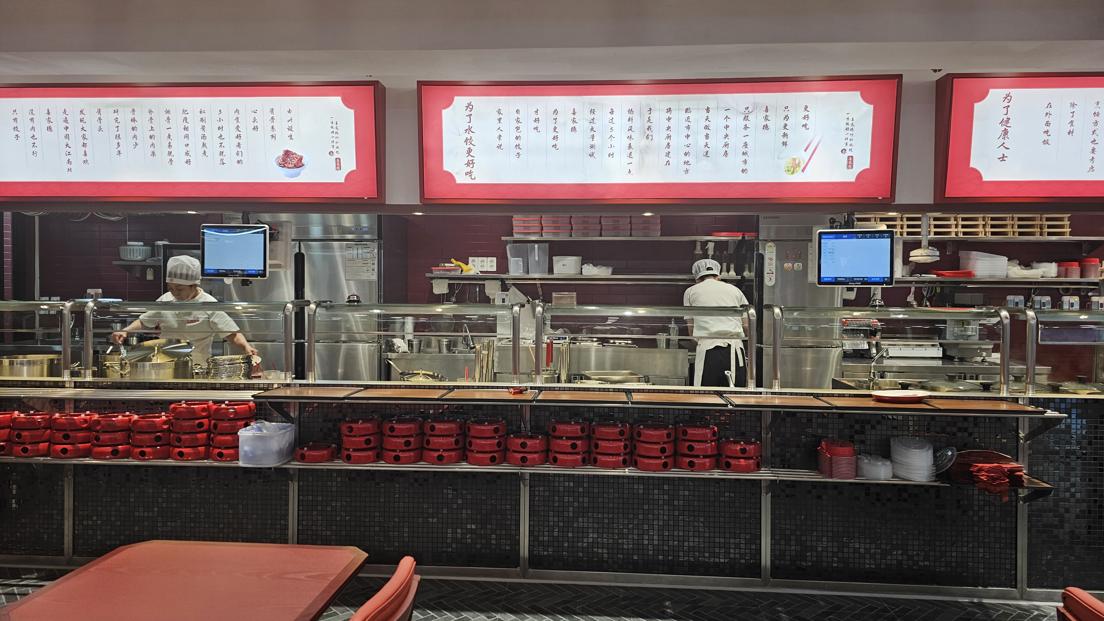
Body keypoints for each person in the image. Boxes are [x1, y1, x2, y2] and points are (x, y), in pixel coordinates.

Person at [111, 255, 259, 362]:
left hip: (197, 366)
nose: (174, 293)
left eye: (179, 289)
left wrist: (246, 347)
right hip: (166, 363)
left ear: (194, 286)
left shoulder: (208, 304)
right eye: (171, 288)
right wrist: (126, 331)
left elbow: (231, 333)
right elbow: (145, 321)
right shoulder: (166, 300)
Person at [683, 258, 749, 387]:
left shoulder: (690, 291)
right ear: (718, 275)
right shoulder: (735, 290)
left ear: (697, 277)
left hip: (708, 350)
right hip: (735, 349)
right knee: (736, 395)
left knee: (707, 395)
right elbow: (746, 325)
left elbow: (691, 329)